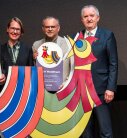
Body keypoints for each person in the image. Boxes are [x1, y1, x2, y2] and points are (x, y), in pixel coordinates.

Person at [80, 5, 118, 138]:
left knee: (105, 131)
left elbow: (113, 63)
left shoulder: (107, 35)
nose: (89, 19)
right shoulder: (78, 37)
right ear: (82, 19)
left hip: (101, 91)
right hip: (82, 92)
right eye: (85, 16)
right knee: (86, 131)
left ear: (98, 18)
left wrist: (110, 88)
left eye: (92, 16)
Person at [32, 16, 71, 90]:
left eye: (52, 27)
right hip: (42, 88)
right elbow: (34, 69)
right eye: (47, 27)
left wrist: (66, 83)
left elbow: (73, 67)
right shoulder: (36, 45)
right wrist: (34, 59)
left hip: (63, 88)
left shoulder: (68, 44)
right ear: (43, 29)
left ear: (58, 28)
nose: (50, 29)